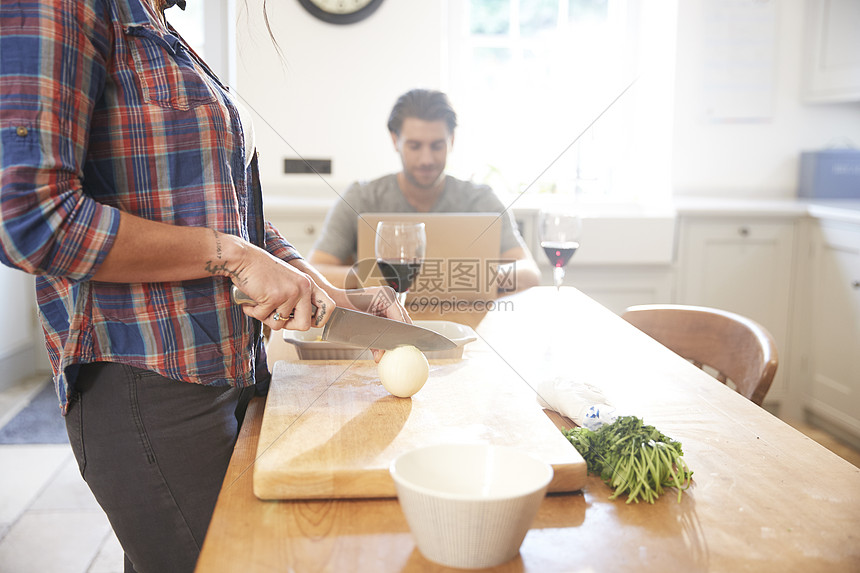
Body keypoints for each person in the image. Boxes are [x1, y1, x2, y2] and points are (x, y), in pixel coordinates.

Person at [0, 1, 407, 572]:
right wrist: (231, 257)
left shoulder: (155, 27)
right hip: (147, 388)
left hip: (228, 373)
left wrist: (334, 298)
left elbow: (235, 222)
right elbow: (30, 219)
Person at [308, 88, 541, 294]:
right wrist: (381, 277)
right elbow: (316, 269)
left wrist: (463, 278)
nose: (427, 159)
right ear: (395, 141)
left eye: (437, 145)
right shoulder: (361, 197)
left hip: (465, 322)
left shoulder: (480, 199)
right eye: (415, 146)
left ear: (452, 140)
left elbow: (529, 273)